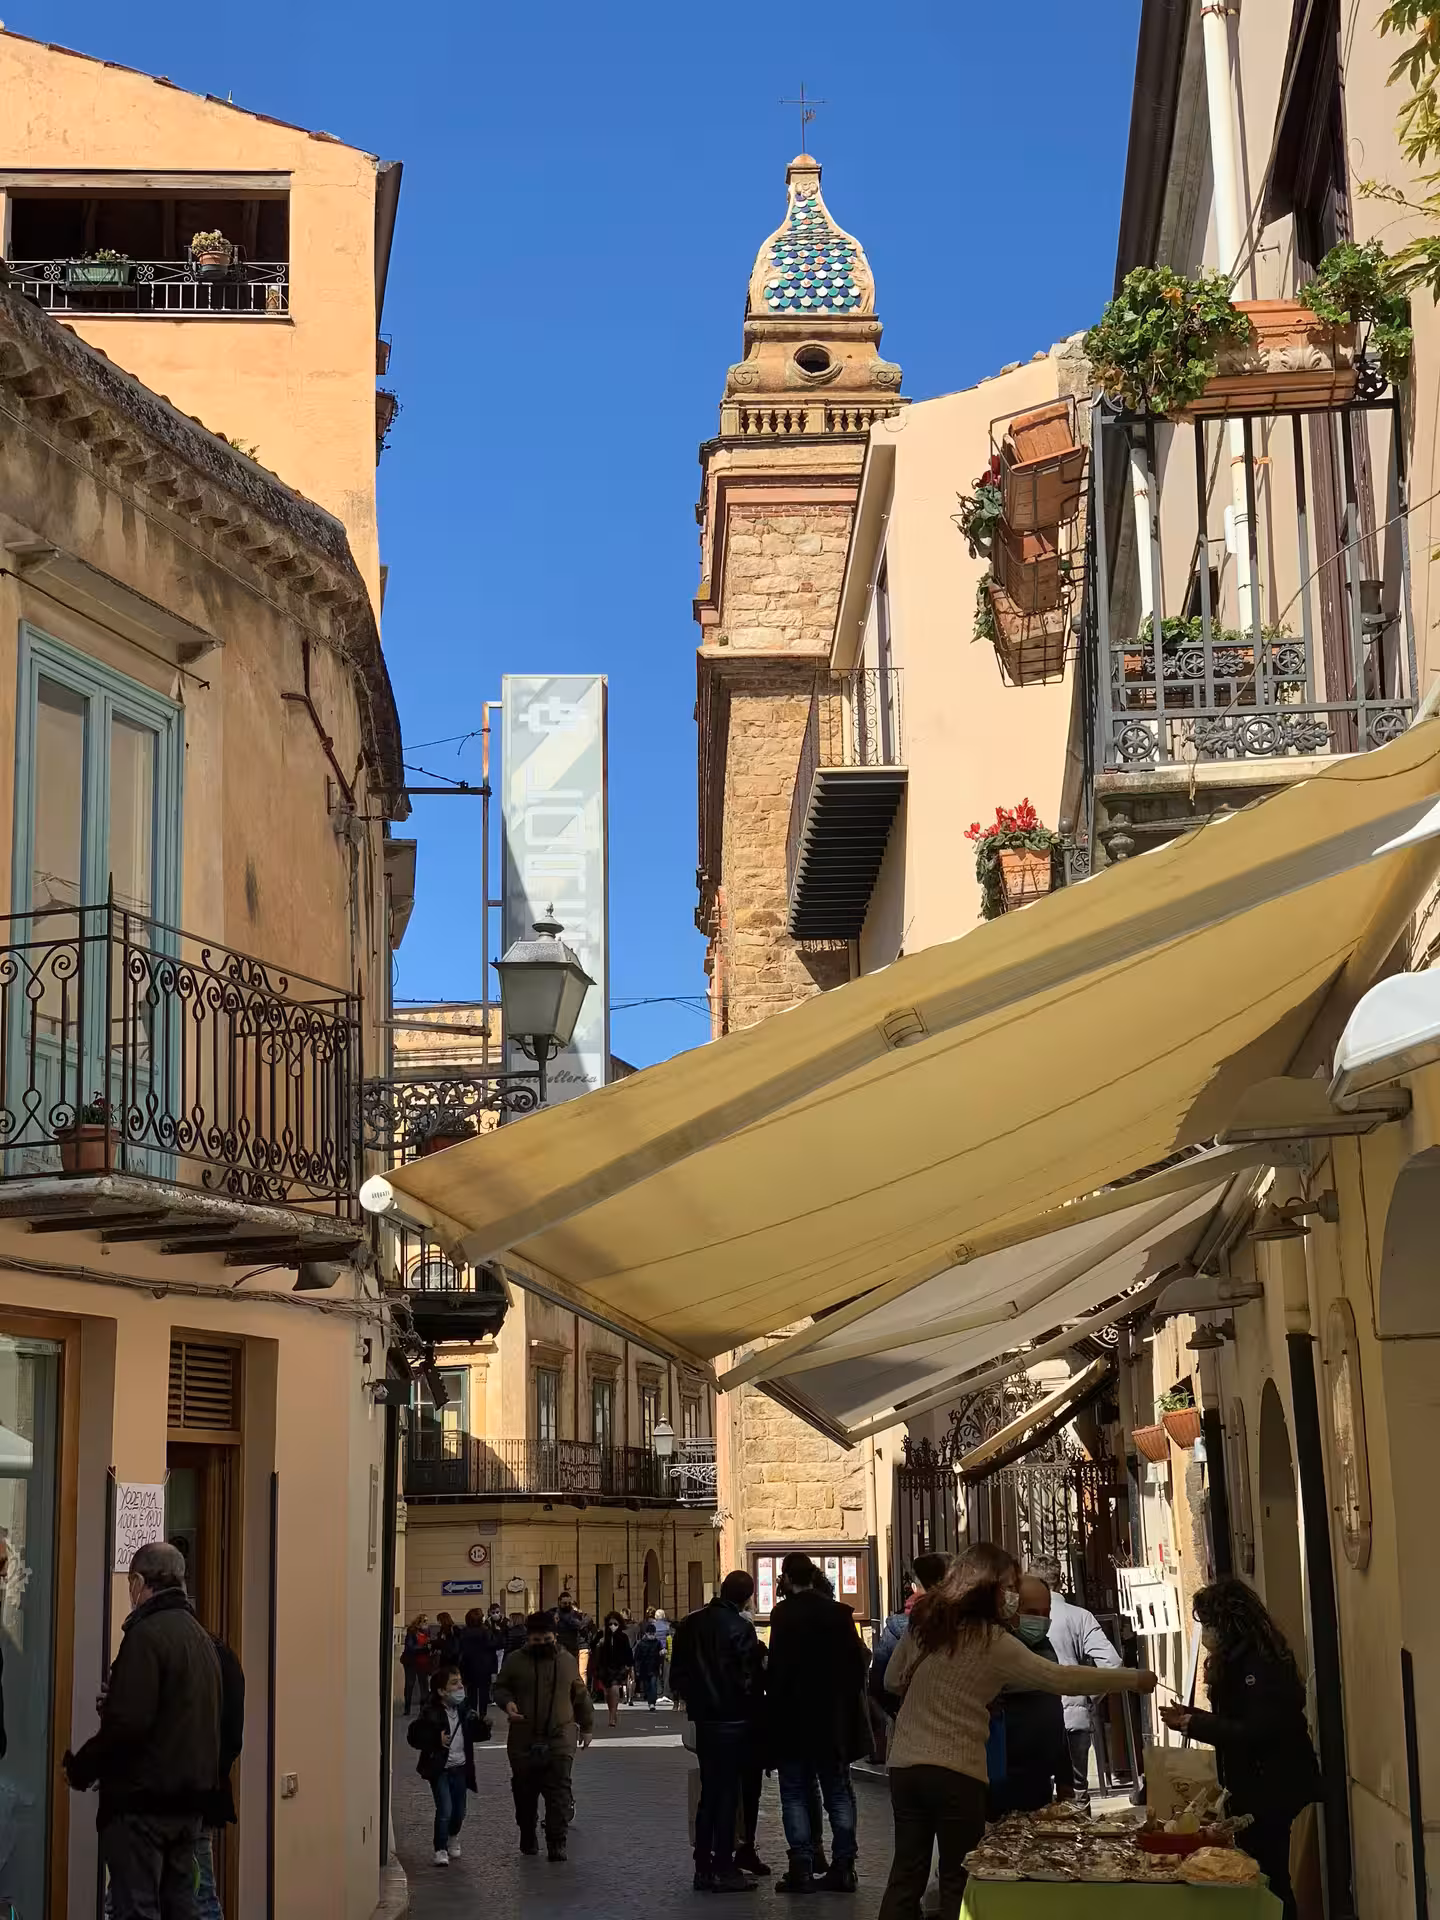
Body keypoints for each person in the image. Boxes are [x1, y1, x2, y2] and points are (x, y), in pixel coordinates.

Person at [878, 1542, 1156, 1920]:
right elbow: (1058, 1677)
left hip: (906, 1768)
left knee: (906, 1873)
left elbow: (892, 1679)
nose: (1012, 1597)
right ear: (986, 1587)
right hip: (956, 1772)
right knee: (959, 1877)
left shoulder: (926, 1627)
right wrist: (1133, 1678)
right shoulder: (993, 1642)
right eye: (1008, 1587)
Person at [63, 1541, 222, 1920]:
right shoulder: (201, 1640)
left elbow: (128, 1726)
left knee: (136, 1909)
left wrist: (81, 1767)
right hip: (188, 1807)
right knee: (182, 1908)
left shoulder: (145, 1636)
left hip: (142, 1809)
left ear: (137, 1582)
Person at [1160, 1580, 1322, 1920]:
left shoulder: (1257, 1666)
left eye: (1208, 1623)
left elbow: (1255, 1730)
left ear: (1228, 1622)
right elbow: (1235, 1721)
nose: (1205, 1632)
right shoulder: (1240, 1659)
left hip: (1273, 1786)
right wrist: (1193, 1717)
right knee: (1260, 1873)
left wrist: (1195, 1725)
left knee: (1269, 1877)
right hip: (1258, 1785)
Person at [764, 1552, 870, 1894]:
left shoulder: (782, 1616)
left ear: (786, 1579)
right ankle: (844, 1865)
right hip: (832, 1720)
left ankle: (802, 1867)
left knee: (794, 1793)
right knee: (838, 1793)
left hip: (793, 1719)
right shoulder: (839, 1614)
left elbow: (776, 1674)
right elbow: (857, 1665)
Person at [668, 1569, 768, 1893]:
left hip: (705, 1720)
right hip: (734, 1720)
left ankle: (703, 1865)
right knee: (727, 1795)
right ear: (748, 1597)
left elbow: (677, 1677)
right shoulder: (741, 1628)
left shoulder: (690, 1624)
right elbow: (751, 1679)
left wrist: (697, 1701)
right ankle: (724, 1866)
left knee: (709, 1793)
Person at [493, 1610, 594, 1863]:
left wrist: (587, 1726)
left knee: (558, 1792)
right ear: (528, 1638)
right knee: (524, 1793)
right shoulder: (516, 1660)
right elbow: (500, 1687)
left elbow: (580, 1694)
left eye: (546, 1639)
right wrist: (507, 1703)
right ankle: (527, 1835)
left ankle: (557, 1842)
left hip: (560, 1736)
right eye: (536, 1640)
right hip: (523, 1738)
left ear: (554, 1636)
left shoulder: (567, 1660)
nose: (541, 1644)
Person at [1027, 1557, 1123, 1811]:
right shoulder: (1080, 1617)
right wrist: (1088, 1697)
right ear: (1060, 1580)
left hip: (1035, 1717)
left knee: (1036, 1794)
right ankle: (1080, 1845)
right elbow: (1112, 1663)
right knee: (1076, 1792)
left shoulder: (1023, 1620)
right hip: (1074, 1715)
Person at [989, 1576, 1072, 1817]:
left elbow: (1053, 1713)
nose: (1041, 1620)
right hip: (999, 1780)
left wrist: (1065, 1777)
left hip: (1038, 1782)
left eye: (1045, 1613)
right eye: (1032, 1612)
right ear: (1011, 1609)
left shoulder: (1045, 1648)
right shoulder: (992, 1649)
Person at [406, 1665, 484, 1866]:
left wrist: (483, 1725)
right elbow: (414, 1736)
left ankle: (453, 1836)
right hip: (440, 1768)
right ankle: (440, 1848)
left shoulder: (464, 1710)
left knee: (459, 1812)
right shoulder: (430, 1712)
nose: (460, 1687)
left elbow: (477, 1734)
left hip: (460, 1767)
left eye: (460, 1682)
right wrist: (434, 1738)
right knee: (445, 1809)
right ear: (441, 1691)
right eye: (454, 1683)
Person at [194, 1632, 244, 1920]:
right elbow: (233, 1739)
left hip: (174, 1793)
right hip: (207, 1791)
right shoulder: (224, 1655)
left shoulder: (168, 1651)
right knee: (202, 1896)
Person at [871, 1553, 951, 1720]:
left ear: (915, 1587)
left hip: (910, 1719)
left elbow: (880, 1684)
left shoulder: (896, 1628)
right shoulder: (967, 1624)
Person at [589, 1612, 634, 1729]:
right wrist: (599, 1636)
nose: (613, 1626)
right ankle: (611, 1711)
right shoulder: (603, 1634)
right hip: (605, 1667)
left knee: (614, 1689)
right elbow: (592, 1645)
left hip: (618, 1667)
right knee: (608, 1693)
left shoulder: (623, 1637)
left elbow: (628, 1652)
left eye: (615, 1623)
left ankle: (612, 1716)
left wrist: (630, 1667)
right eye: (610, 1624)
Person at [457, 1608, 499, 1727]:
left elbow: (461, 1649)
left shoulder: (464, 1632)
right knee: (484, 1691)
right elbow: (493, 1646)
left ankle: (473, 1712)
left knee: (471, 1691)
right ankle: (483, 1714)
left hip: (468, 1665)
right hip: (484, 1665)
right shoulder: (486, 1631)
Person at [401, 1615, 433, 1716]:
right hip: (412, 1661)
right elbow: (410, 1647)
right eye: (424, 1621)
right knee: (410, 1683)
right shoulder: (412, 1632)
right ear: (419, 1622)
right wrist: (424, 1648)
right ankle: (407, 1708)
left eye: (427, 1621)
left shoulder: (427, 1631)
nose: (426, 1623)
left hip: (423, 1662)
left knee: (424, 1685)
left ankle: (423, 1709)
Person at [633, 1618, 665, 1710]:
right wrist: (637, 1669)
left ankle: (652, 1703)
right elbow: (637, 1658)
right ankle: (650, 1700)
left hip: (654, 1667)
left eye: (653, 1634)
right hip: (644, 1668)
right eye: (650, 1634)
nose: (652, 1636)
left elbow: (660, 1653)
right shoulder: (641, 1644)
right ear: (646, 1634)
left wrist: (662, 1653)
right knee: (647, 1686)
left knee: (653, 1684)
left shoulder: (657, 1643)